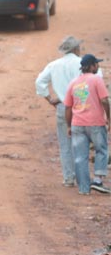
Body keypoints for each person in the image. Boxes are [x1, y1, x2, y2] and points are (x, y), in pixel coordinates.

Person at [35, 36, 88, 187]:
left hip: (62, 107)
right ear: (76, 49)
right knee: (81, 143)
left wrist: (50, 99)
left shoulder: (53, 65)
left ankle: (68, 178)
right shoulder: (83, 63)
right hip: (81, 106)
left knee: (65, 144)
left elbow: (39, 82)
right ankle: (82, 178)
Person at [64, 54, 110, 195]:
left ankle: (84, 189)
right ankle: (97, 180)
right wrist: (109, 117)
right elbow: (104, 100)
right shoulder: (97, 80)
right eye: (96, 64)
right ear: (91, 66)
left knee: (80, 157)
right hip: (95, 122)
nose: (98, 66)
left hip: (77, 124)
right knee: (101, 150)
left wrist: (69, 126)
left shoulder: (73, 83)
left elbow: (67, 107)